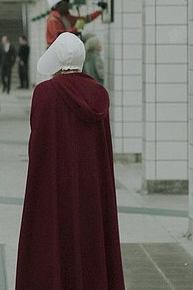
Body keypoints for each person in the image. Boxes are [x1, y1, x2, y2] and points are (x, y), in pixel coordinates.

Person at [16, 32, 125, 290]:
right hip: (91, 184)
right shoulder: (99, 94)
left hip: (54, 180)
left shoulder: (44, 93)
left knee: (55, 235)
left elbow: (38, 144)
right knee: (90, 234)